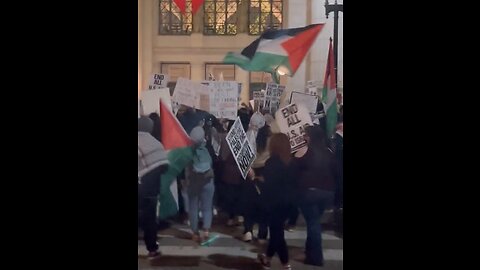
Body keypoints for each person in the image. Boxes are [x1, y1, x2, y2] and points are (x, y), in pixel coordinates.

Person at [292, 125, 338, 266]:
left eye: (306, 134)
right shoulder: (329, 152)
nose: (304, 136)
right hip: (327, 193)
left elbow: (294, 169)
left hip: (309, 192)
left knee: (313, 223)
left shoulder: (303, 151)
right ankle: (309, 250)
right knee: (314, 221)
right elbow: (336, 172)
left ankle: (316, 258)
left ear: (311, 137)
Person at [257, 133, 293, 270]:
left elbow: (269, 185)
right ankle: (267, 258)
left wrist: (257, 179)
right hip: (288, 203)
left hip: (274, 203)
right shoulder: (290, 162)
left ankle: (286, 264)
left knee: (277, 234)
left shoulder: (272, 162)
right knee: (276, 232)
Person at [138, 116, 169, 259]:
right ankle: (152, 249)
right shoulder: (157, 143)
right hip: (152, 190)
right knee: (150, 220)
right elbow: (164, 166)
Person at [185, 126, 216, 242]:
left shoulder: (188, 150)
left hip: (193, 182)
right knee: (207, 207)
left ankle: (195, 233)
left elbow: (185, 168)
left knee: (193, 207)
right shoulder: (209, 148)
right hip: (208, 182)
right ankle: (206, 230)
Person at [242, 113, 269, 242]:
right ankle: (262, 234)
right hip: (264, 173)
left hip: (249, 173)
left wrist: (248, 169)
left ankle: (248, 230)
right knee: (264, 205)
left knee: (248, 203)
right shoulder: (269, 139)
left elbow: (241, 156)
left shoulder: (246, 136)